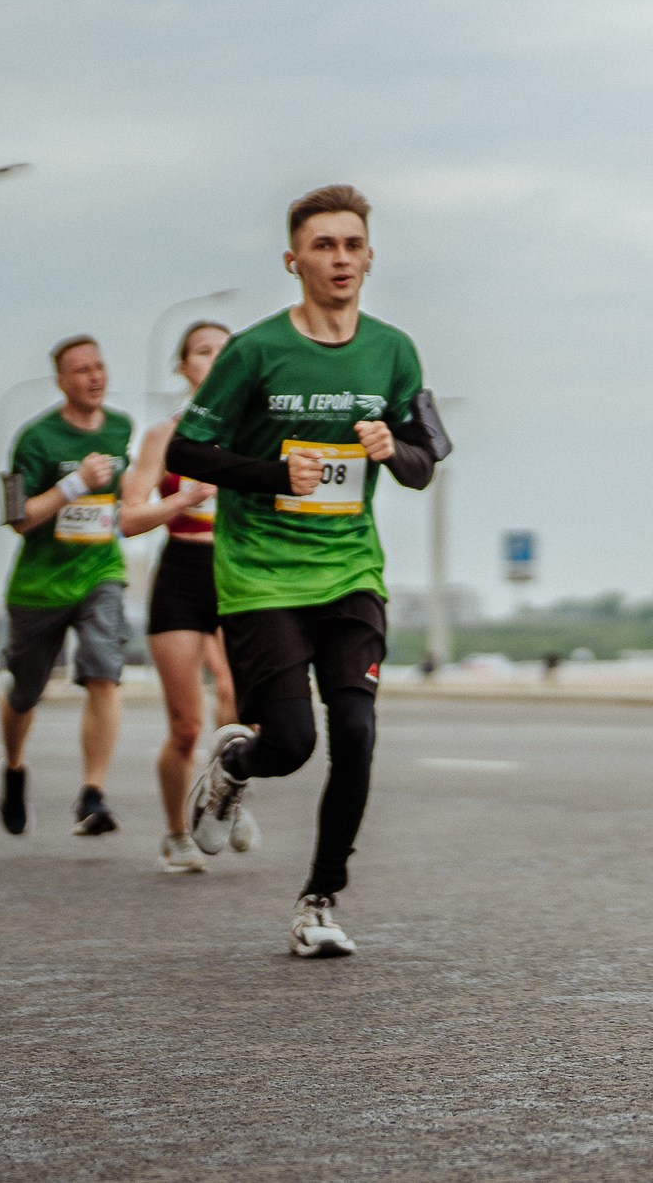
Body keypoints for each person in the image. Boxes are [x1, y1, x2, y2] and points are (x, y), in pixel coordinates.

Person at [172, 184, 449, 956]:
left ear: (369, 256)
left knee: (355, 733)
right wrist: (270, 475)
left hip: (350, 570)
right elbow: (183, 454)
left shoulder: (393, 350)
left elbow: (428, 460)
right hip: (261, 574)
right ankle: (235, 764)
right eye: (324, 245)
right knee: (291, 742)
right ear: (293, 260)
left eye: (352, 244)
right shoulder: (255, 351)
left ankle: (320, 898)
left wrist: (398, 451)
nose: (340, 258)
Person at [121, 319, 253, 875]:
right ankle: (176, 832)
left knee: (239, 696)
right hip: (181, 572)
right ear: (183, 367)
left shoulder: (254, 431)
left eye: (225, 352)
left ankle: (226, 788)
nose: (215, 360)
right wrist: (187, 497)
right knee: (185, 726)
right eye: (202, 352)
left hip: (239, 573)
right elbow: (128, 519)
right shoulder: (163, 437)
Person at [0, 335, 144, 838]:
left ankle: (93, 793)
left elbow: (128, 495)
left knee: (104, 673)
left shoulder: (123, 427)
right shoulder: (34, 439)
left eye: (100, 366)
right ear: (62, 381)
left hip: (100, 571)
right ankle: (15, 769)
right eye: (81, 370)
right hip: (40, 585)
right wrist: (73, 485)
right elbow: (16, 517)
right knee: (25, 692)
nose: (94, 377)